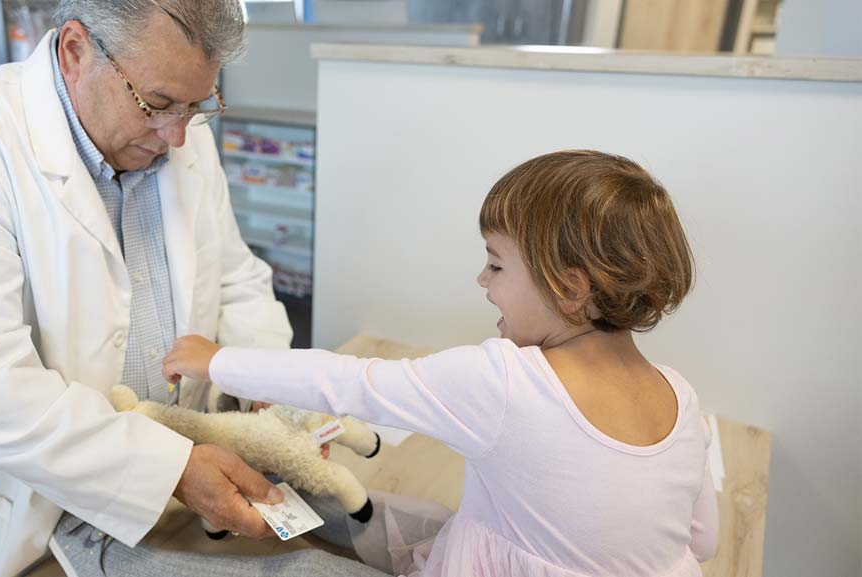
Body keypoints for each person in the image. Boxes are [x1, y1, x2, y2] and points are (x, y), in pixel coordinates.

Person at [0, 1, 379, 575]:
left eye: (197, 105)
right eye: (158, 104)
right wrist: (169, 468)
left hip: (186, 487)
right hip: (35, 517)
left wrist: (271, 385)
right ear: (75, 52)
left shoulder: (178, 132)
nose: (178, 135)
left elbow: (236, 278)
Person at [165, 150, 720, 577]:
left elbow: (345, 382)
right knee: (406, 516)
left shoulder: (505, 381)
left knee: (308, 563)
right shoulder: (681, 395)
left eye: (496, 265)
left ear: (569, 289)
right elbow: (702, 541)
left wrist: (216, 361)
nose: (482, 281)